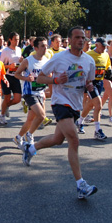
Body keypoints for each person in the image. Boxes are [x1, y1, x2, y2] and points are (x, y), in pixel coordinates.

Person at [21, 26, 98, 200]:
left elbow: (88, 81)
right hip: (60, 102)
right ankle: (81, 185)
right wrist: (55, 80)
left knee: (58, 139)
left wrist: (90, 87)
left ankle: (30, 149)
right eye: (77, 37)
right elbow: (40, 77)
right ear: (69, 40)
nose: (81, 40)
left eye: (83, 38)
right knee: (74, 139)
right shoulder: (59, 58)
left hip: (76, 105)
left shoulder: (89, 61)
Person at [13, 37, 49, 145]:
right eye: (42, 46)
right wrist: (27, 78)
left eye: (46, 46)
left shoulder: (46, 61)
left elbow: (49, 76)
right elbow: (16, 74)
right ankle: (29, 135)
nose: (45, 48)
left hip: (40, 92)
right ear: (36, 48)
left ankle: (18, 137)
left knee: (30, 120)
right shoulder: (28, 60)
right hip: (29, 93)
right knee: (41, 116)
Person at [78, 37, 110, 140]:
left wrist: (109, 70)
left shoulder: (106, 55)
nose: (104, 48)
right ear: (97, 45)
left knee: (90, 105)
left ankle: (79, 122)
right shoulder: (88, 55)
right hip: (91, 83)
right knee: (98, 104)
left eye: (106, 46)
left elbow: (107, 65)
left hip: (99, 82)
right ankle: (97, 130)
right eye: (103, 46)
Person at [0, 32, 23, 124]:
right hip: (7, 76)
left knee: (17, 99)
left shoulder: (19, 49)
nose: (17, 41)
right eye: (15, 39)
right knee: (7, 97)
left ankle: (6, 106)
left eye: (18, 39)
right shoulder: (5, 51)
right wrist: (9, 66)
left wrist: (22, 61)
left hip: (16, 76)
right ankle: (2, 116)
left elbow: (20, 63)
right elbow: (0, 65)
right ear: (10, 40)